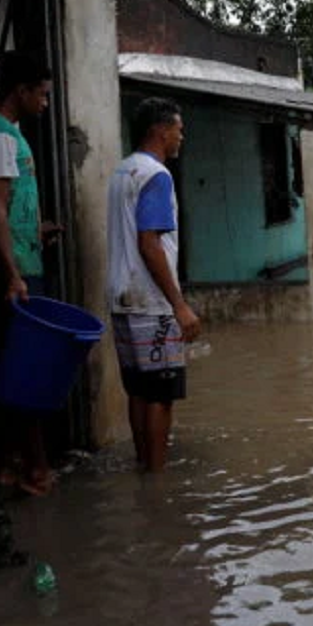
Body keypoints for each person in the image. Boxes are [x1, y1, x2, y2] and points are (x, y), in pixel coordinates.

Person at [0, 51, 59, 495]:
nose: (44, 103)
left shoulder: (6, 136)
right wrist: (14, 274)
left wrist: (36, 231)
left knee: (13, 369)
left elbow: (5, 213)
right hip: (9, 277)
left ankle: (17, 468)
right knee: (19, 373)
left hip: (15, 266)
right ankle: (24, 470)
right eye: (40, 94)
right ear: (19, 91)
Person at [107, 97, 200, 472]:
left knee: (139, 391)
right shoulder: (157, 176)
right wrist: (178, 304)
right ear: (160, 132)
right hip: (151, 301)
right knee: (160, 396)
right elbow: (150, 243)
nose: (182, 136)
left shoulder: (122, 172)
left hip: (121, 297)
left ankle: (145, 467)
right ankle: (157, 482)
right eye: (178, 129)